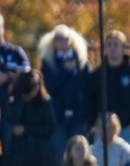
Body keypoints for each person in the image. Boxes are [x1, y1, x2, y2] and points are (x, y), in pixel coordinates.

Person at [1, 69, 55, 166]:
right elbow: (11, 118)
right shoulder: (15, 101)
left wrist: (27, 130)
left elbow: (50, 128)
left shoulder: (45, 102)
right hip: (22, 158)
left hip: (41, 156)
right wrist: (21, 101)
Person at [37, 25, 90, 158]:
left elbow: (87, 86)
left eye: (65, 38)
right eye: (58, 39)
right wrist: (65, 71)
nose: (62, 42)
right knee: (59, 153)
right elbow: (48, 85)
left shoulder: (81, 60)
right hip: (57, 116)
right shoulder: (48, 61)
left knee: (80, 152)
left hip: (78, 115)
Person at [92, 32, 130, 143]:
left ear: (123, 47)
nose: (112, 48)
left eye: (116, 44)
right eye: (109, 45)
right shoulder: (97, 75)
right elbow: (89, 100)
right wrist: (94, 123)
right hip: (103, 130)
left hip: (128, 129)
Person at [0, 13, 32, 104]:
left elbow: (29, 77)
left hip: (12, 106)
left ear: (2, 28)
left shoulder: (16, 52)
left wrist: (7, 77)